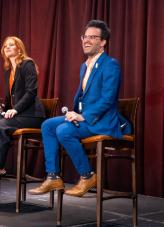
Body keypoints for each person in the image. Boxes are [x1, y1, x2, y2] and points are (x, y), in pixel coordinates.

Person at [28, 20, 132, 197]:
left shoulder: (110, 65)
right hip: (85, 117)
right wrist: (73, 113)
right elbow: (84, 97)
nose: (87, 40)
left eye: (93, 37)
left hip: (103, 121)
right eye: (85, 37)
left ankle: (87, 175)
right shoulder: (84, 66)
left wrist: (84, 116)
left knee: (64, 131)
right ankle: (53, 176)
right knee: (48, 125)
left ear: (103, 42)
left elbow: (108, 99)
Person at [0, 36, 46, 183]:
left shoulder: (27, 64)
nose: (7, 47)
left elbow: (31, 92)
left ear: (19, 49)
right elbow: (10, 98)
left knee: (0, 126)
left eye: (11, 45)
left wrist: (16, 109)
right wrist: (3, 108)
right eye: (5, 45)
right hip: (19, 113)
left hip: (32, 115)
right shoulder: (8, 71)